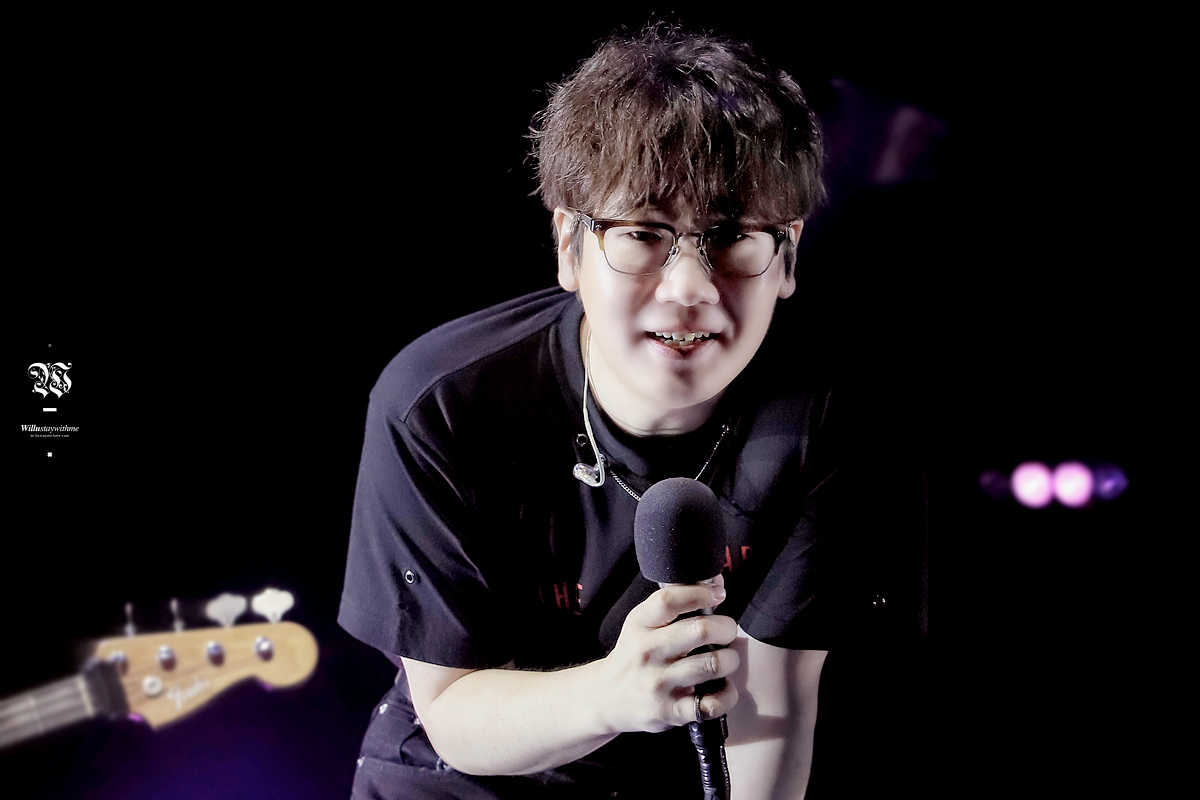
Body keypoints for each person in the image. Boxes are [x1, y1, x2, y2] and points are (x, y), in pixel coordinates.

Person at [340, 24, 863, 799]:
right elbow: (451, 710)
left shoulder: (831, 424)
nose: (690, 288)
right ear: (568, 245)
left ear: (787, 253)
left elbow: (773, 707)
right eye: (643, 234)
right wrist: (612, 694)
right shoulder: (439, 405)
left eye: (731, 237)